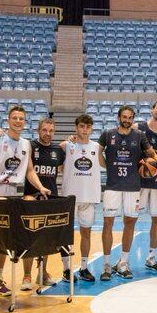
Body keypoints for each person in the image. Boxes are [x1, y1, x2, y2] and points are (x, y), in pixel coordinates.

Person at [0, 105, 51, 301]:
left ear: (25, 122)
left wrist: (41, 187)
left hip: (10, 192)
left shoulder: (26, 145)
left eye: (21, 118)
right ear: (9, 120)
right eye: (15, 118)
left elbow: (29, 171)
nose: (18, 121)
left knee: (2, 239)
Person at [98, 105, 157, 280]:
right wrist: (109, 167)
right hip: (112, 186)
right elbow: (98, 152)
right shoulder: (107, 134)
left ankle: (123, 263)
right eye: (124, 117)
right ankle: (106, 265)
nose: (127, 120)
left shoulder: (139, 135)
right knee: (108, 224)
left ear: (133, 119)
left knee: (130, 224)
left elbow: (152, 153)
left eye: (130, 117)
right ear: (119, 117)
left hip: (133, 187)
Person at [20, 118, 66, 290]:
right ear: (38, 130)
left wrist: (69, 142)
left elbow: (63, 168)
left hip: (50, 198)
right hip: (31, 198)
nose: (48, 133)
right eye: (44, 130)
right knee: (29, 239)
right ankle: (26, 276)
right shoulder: (30, 147)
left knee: (47, 239)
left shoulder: (58, 151)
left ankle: (43, 273)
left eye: (51, 130)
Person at [61, 114, 102, 282]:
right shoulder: (66, 145)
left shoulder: (97, 147)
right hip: (70, 197)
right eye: (82, 126)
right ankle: (66, 269)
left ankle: (84, 268)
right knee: (65, 234)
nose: (84, 130)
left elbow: (107, 163)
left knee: (86, 232)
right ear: (76, 127)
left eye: (88, 127)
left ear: (91, 128)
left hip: (89, 196)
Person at [134, 100, 157, 272]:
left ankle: (151, 257)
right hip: (139, 181)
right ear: (152, 110)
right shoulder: (138, 127)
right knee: (130, 218)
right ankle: (123, 257)